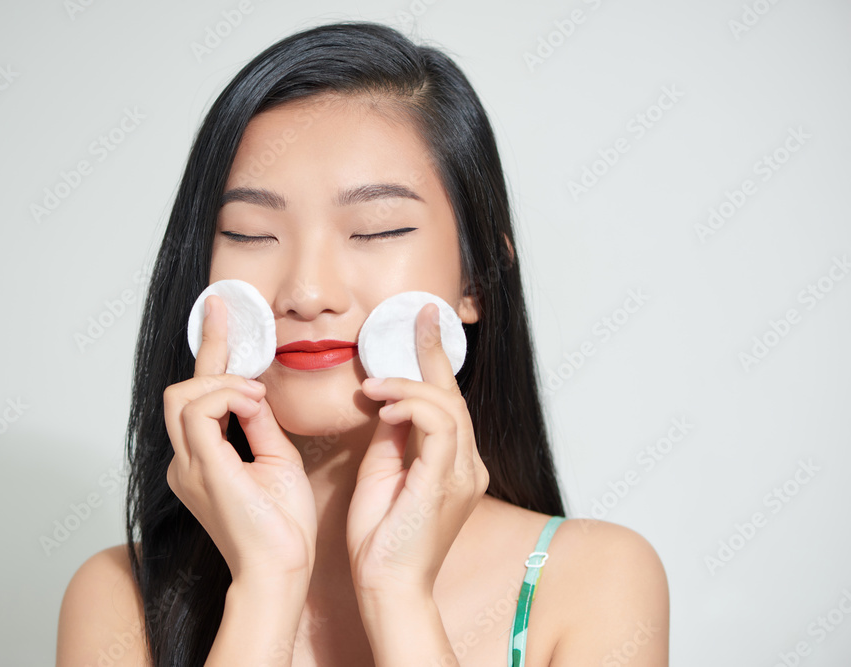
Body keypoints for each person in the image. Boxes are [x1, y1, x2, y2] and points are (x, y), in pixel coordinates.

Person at [56, 20, 669, 667]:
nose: (307, 290)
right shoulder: (119, 599)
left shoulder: (590, 581)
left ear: (477, 279)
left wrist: (397, 594)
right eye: (252, 232)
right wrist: (265, 584)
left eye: (376, 230)